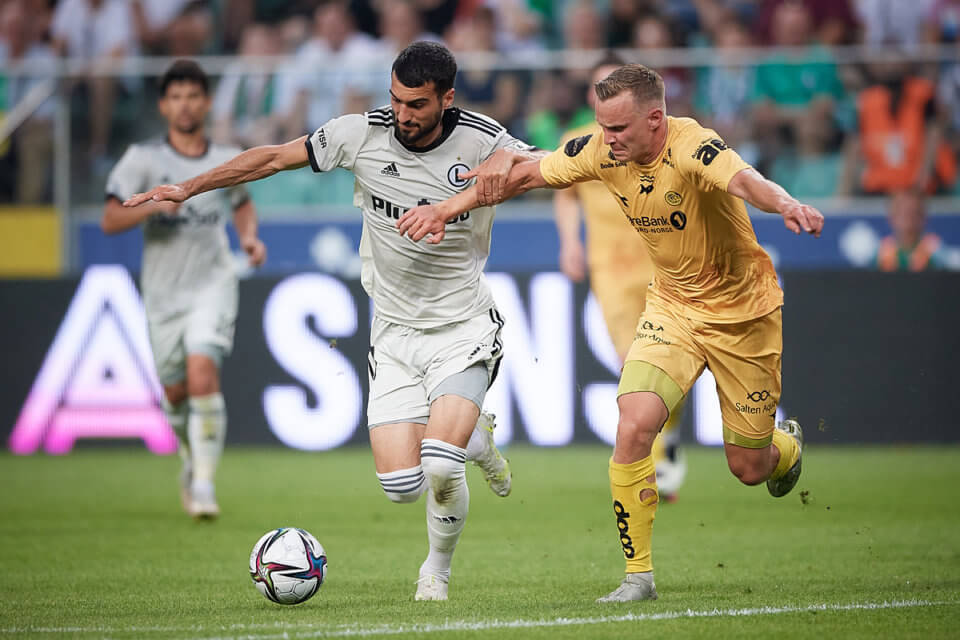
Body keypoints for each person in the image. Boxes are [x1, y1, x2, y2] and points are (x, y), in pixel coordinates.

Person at [397, 63, 824, 602]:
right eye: (603, 126)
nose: (608, 138)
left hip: (744, 313)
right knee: (633, 422)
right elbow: (523, 177)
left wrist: (786, 203)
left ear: (655, 118)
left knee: (748, 467)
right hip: (672, 307)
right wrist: (443, 210)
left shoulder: (695, 147)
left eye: (619, 128)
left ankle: (783, 448)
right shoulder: (601, 149)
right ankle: (637, 577)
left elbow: (744, 180)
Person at [123, 42, 529, 601]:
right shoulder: (359, 133)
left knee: (438, 462)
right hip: (392, 335)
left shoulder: (484, 138)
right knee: (401, 486)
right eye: (395, 100)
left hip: (462, 327)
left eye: (415, 104)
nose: (402, 114)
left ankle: (435, 569)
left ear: (446, 98)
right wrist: (190, 187)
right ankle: (477, 438)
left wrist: (511, 158)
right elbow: (270, 158)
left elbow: (551, 165)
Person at [101, 60, 267, 519]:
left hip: (212, 282)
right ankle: (191, 459)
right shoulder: (142, 159)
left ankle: (205, 485)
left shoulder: (225, 157)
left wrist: (249, 238)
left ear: (207, 102)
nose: (185, 105)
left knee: (202, 374)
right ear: (162, 105)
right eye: (176, 97)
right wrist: (152, 209)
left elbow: (242, 204)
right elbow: (110, 219)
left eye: (193, 95)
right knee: (174, 393)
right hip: (162, 292)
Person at [553, 55, 687, 501]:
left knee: (669, 364)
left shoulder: (655, 141)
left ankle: (665, 444)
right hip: (609, 269)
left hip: (662, 264)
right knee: (633, 364)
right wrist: (570, 242)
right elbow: (565, 196)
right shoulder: (579, 144)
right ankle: (660, 452)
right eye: (597, 88)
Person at [875, 189, 946, 271]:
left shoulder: (936, 252)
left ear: (924, 217)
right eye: (903, 213)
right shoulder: (881, 254)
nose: (909, 220)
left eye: (914, 213)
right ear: (891, 217)